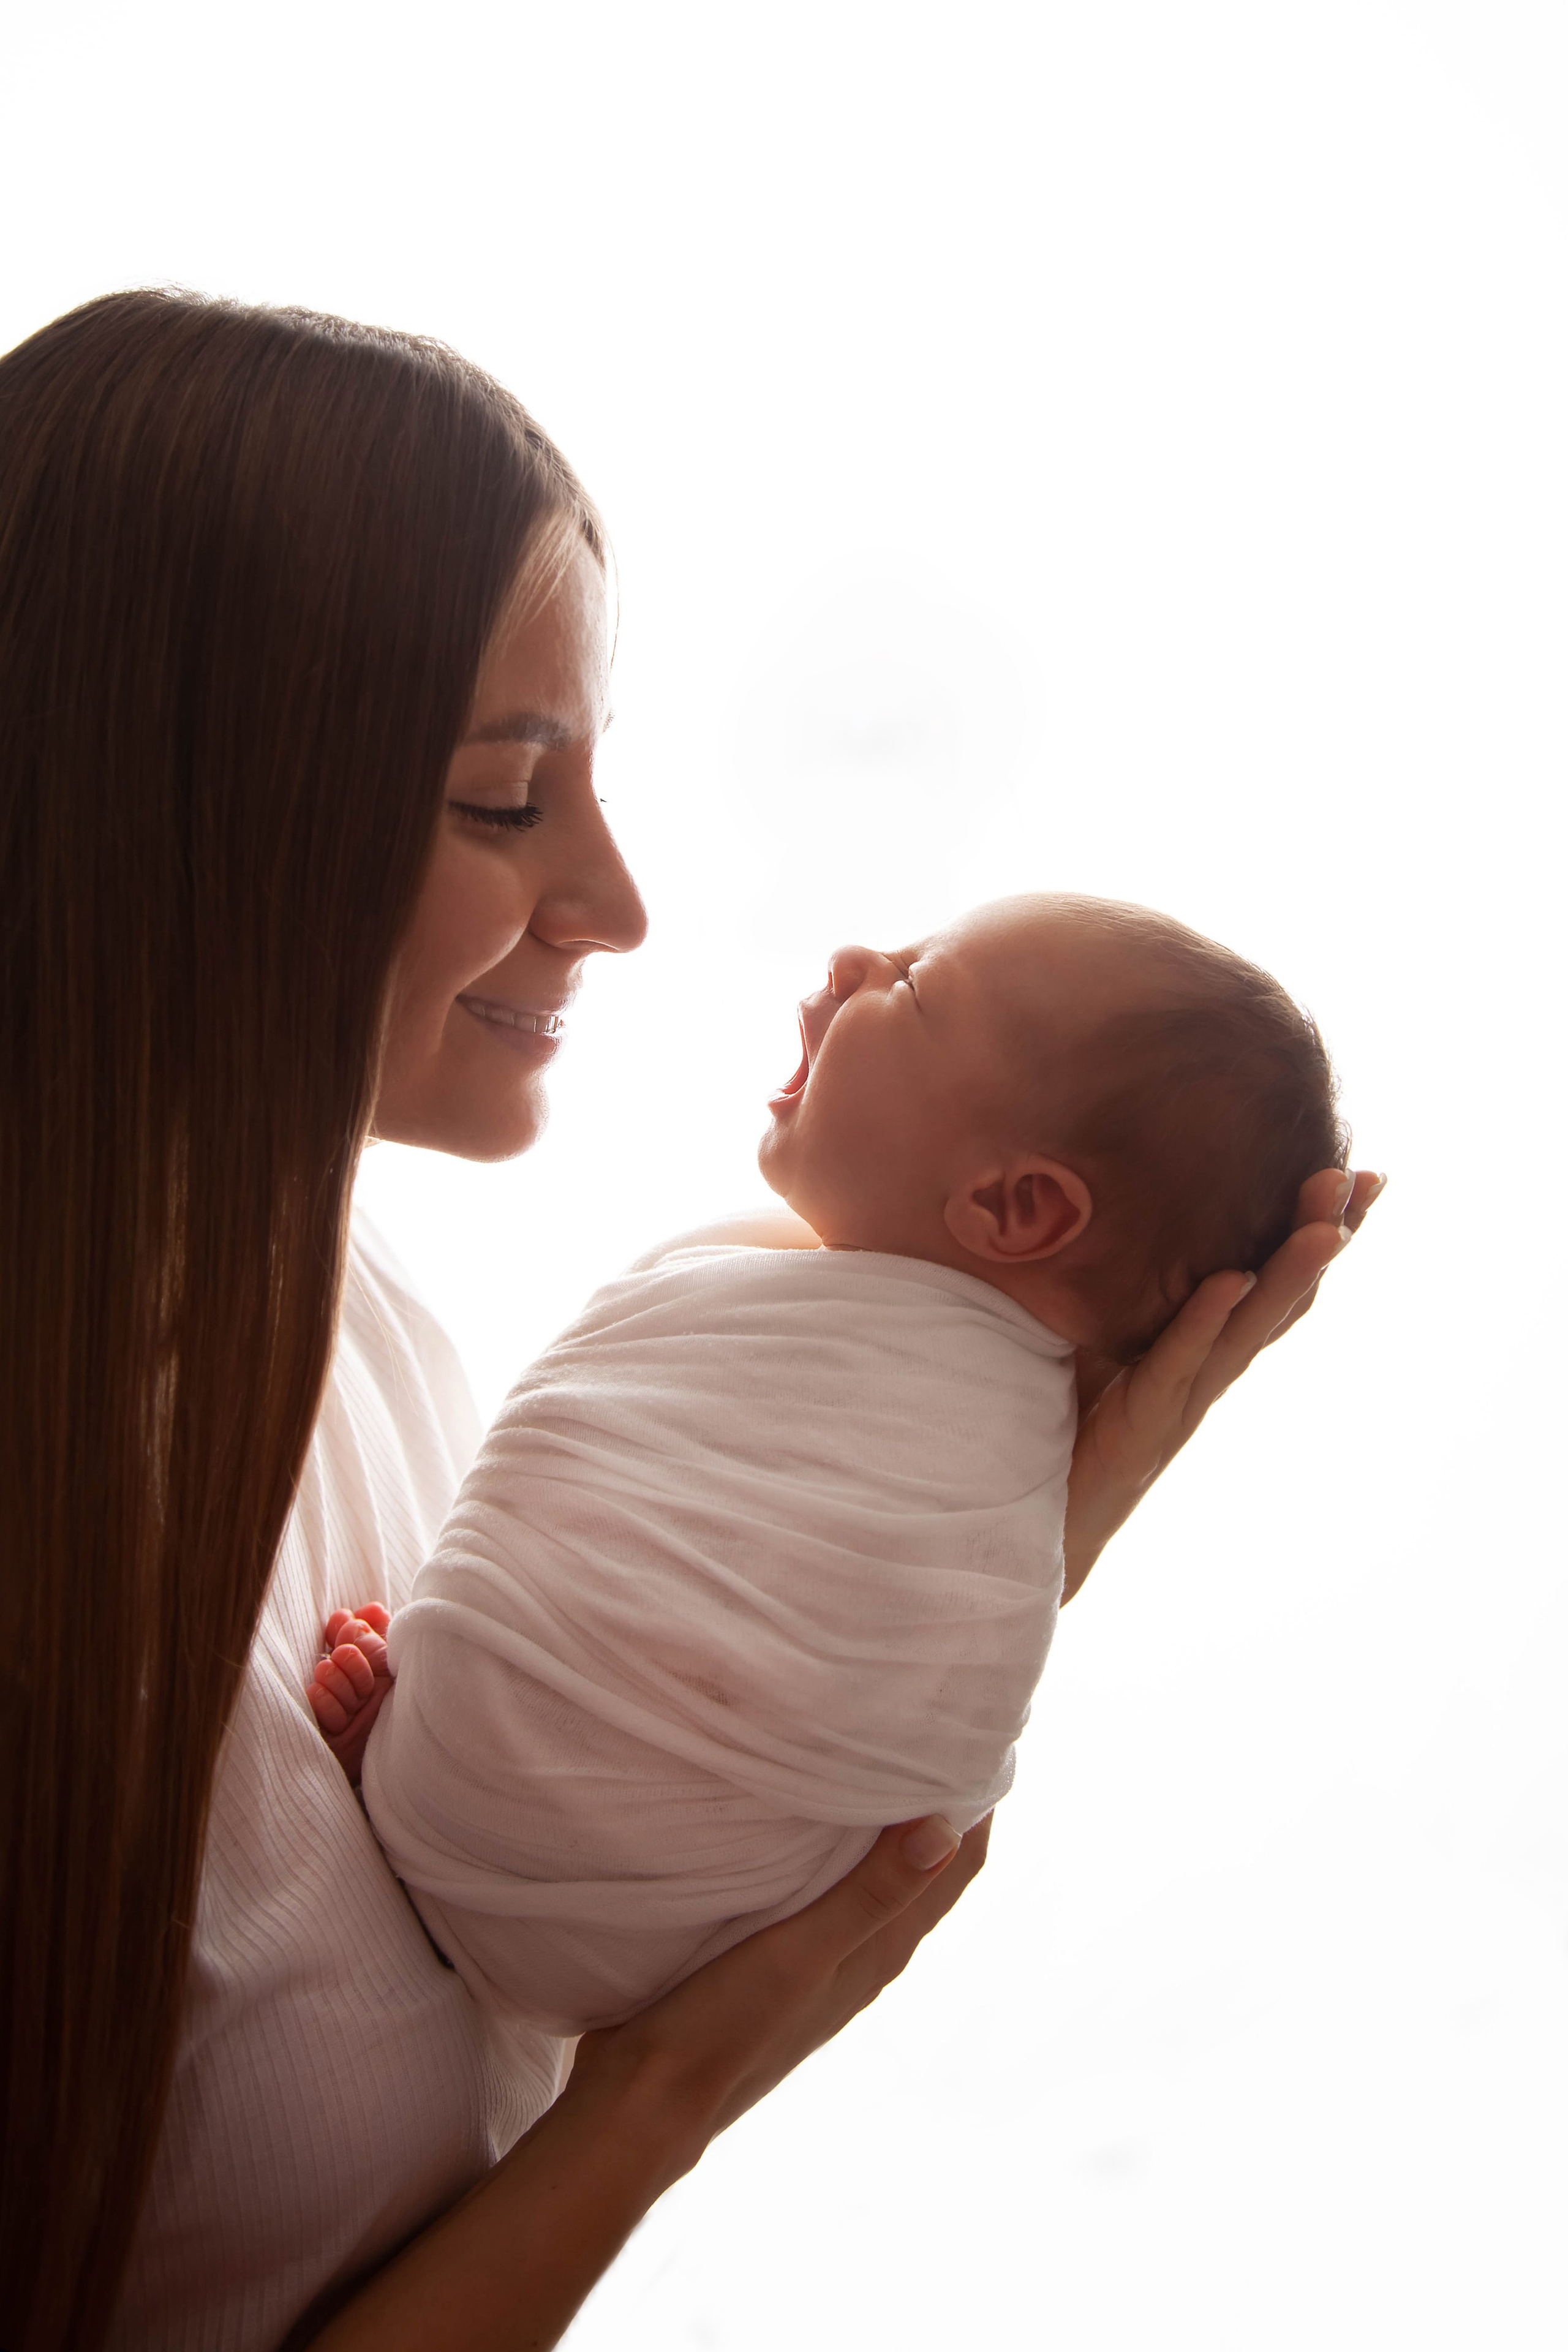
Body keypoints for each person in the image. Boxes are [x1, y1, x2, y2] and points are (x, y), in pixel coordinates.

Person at [0, 288, 1381, 2352]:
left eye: (591, 785)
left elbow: (507, 1930)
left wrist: (972, 1565)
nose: (619, 901)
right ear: (174, 806)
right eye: (501, 800)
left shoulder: (369, 1348)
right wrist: (666, 2095)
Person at [305, 894, 1348, 2035]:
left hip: (511, 1816)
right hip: (672, 1946)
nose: (855, 957)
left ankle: (434, 1757)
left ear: (1014, 1205)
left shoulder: (936, 1425)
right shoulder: (993, 1449)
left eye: (909, 985)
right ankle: (480, 1767)